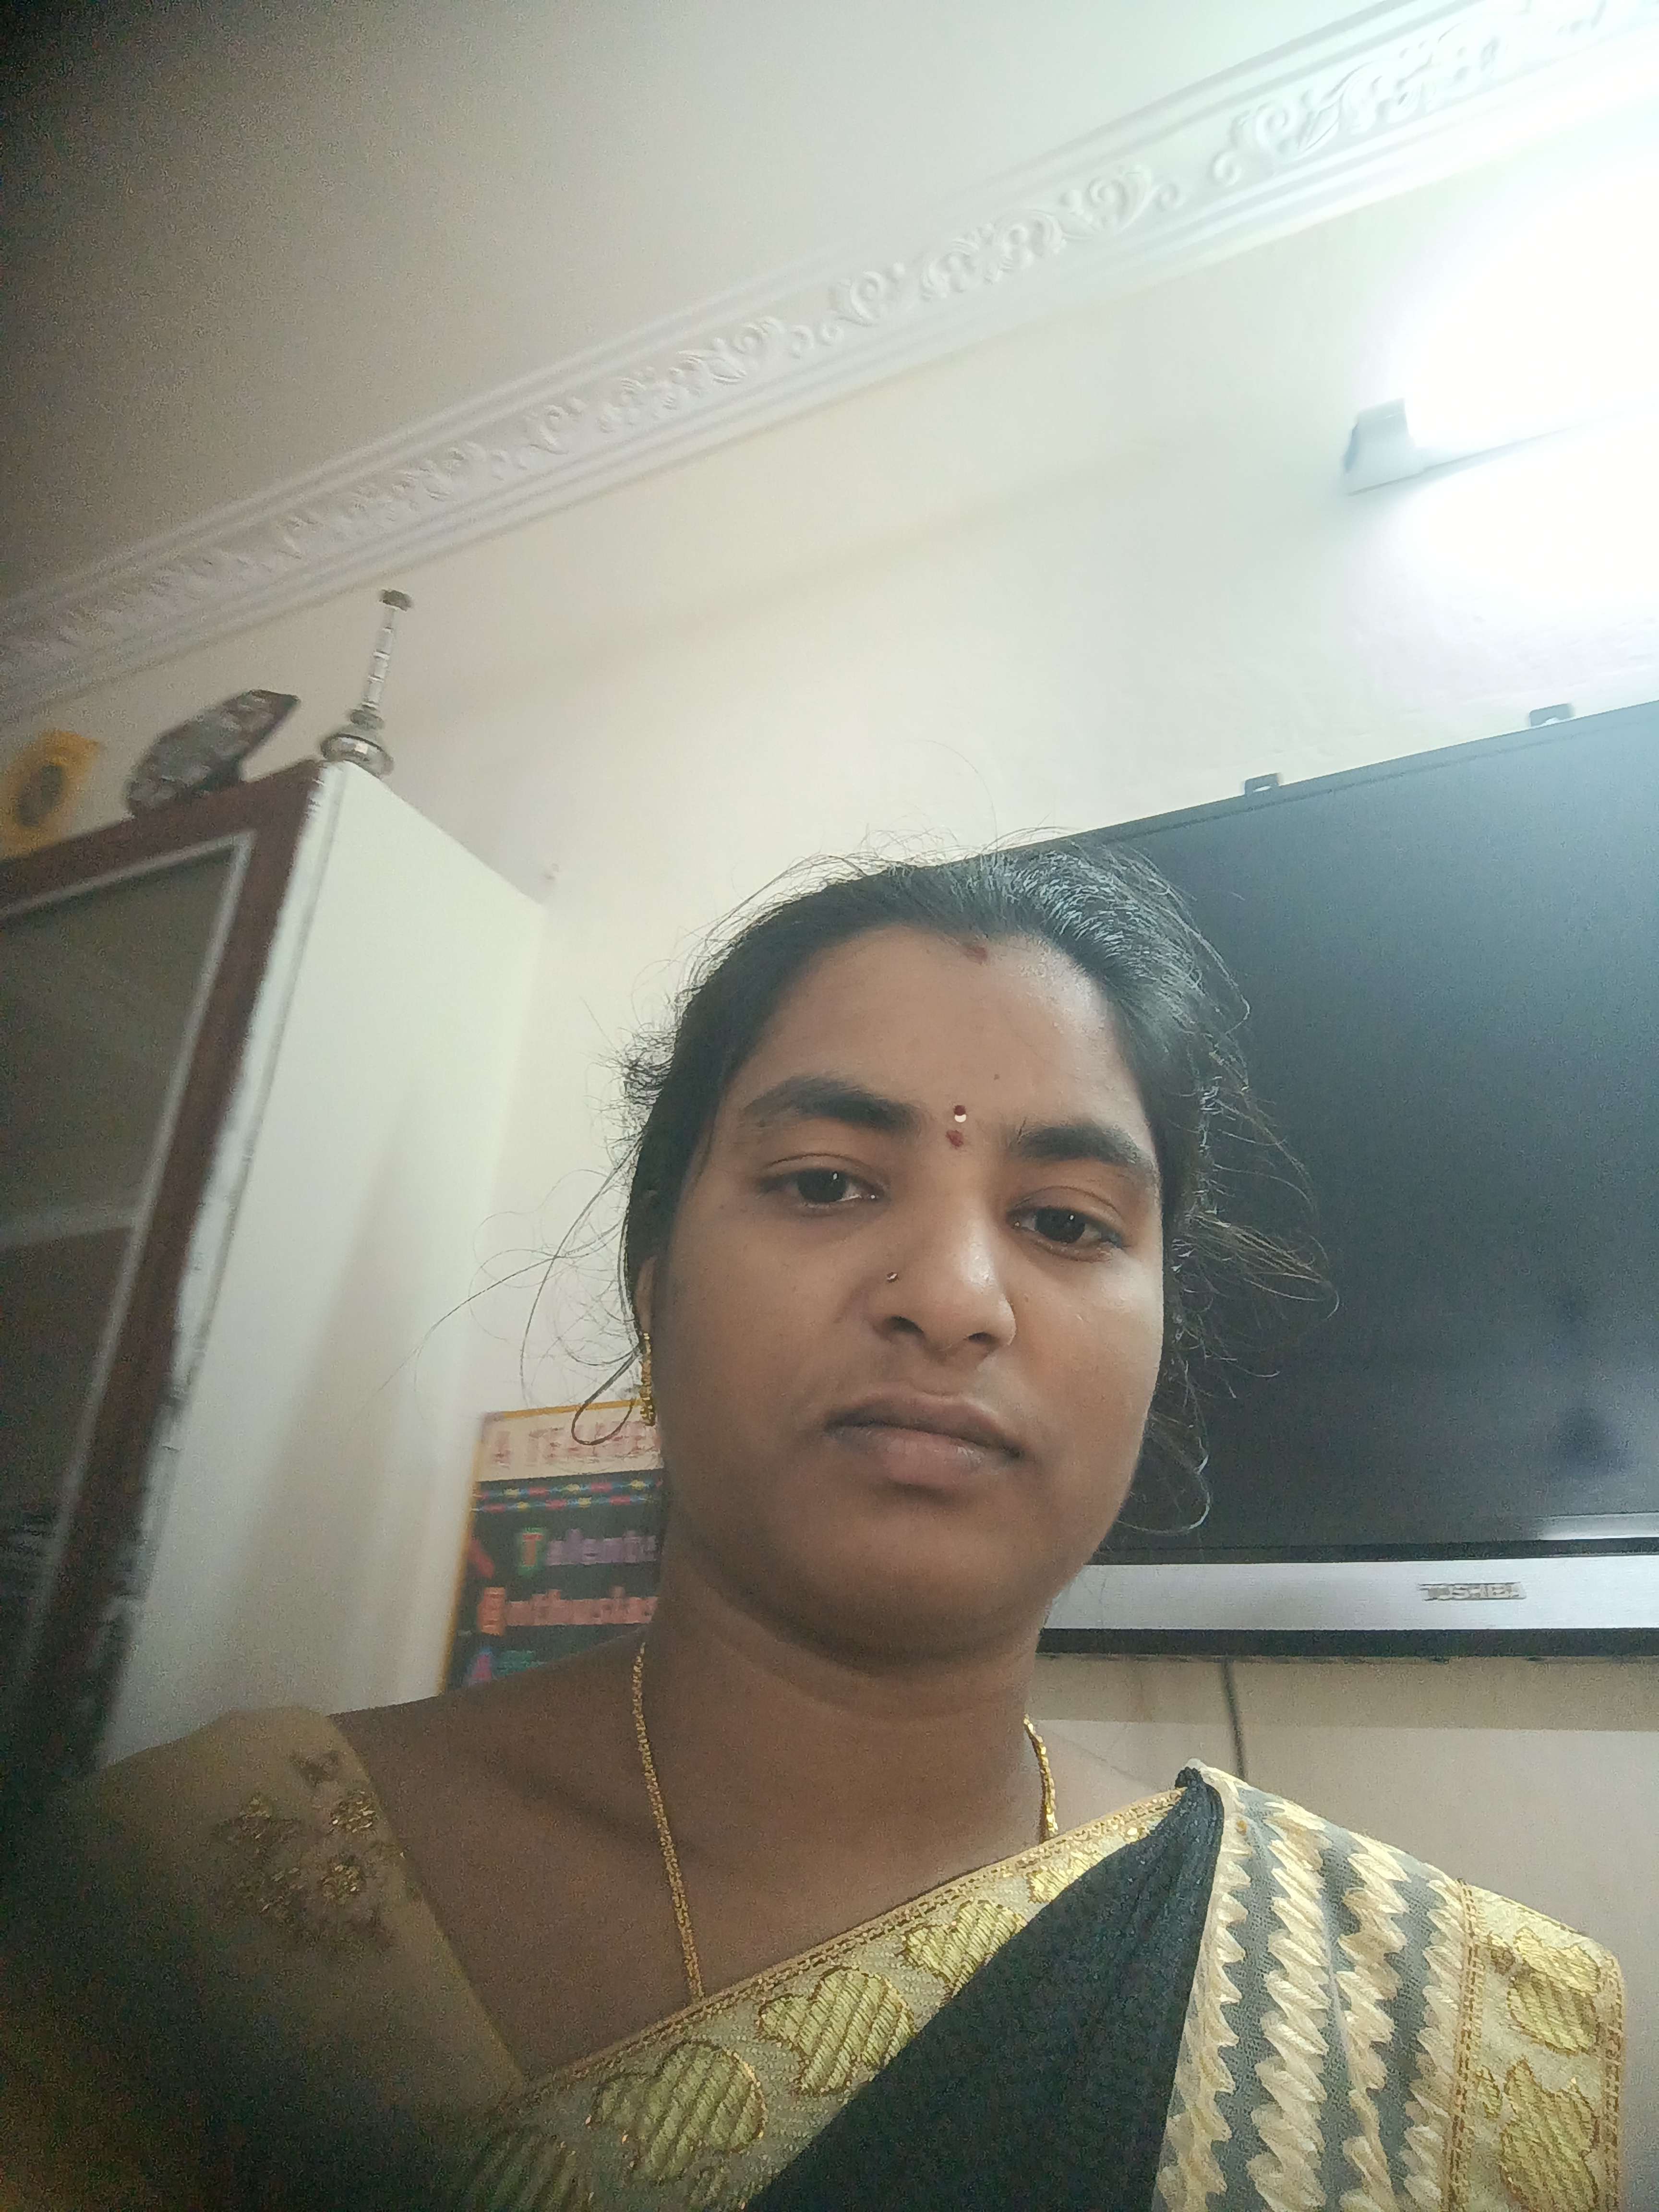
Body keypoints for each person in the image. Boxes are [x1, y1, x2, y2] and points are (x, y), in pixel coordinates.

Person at [0, 846, 1624, 2211]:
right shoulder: (198, 1898)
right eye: (828, 1183)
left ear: (1155, 1353)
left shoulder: (1420, 2016)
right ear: (657, 1294)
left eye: (1066, 1222)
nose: (953, 1298)